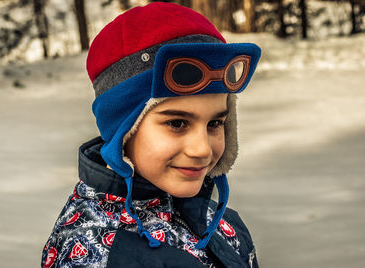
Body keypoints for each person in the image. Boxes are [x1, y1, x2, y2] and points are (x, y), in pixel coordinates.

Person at [41, 2, 261, 268]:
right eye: (177, 123)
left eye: (215, 123)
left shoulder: (217, 221)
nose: (202, 149)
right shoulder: (100, 255)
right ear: (125, 129)